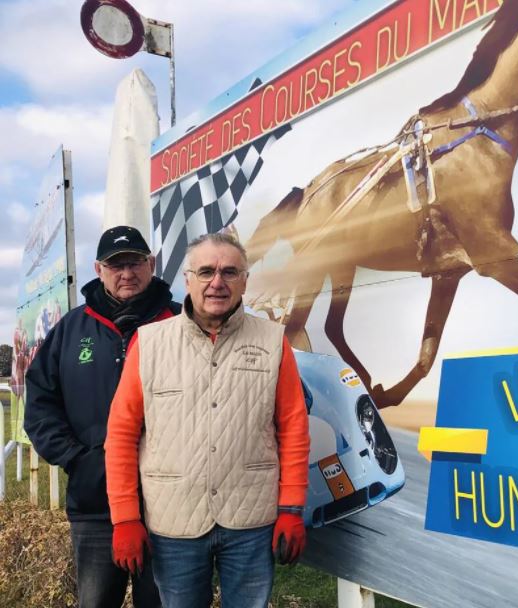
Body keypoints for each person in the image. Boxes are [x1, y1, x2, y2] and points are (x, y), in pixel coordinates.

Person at [105, 232, 310, 608]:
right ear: (188, 279)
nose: (217, 282)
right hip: (174, 521)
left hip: (251, 520)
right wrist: (125, 519)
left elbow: (294, 428)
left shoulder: (272, 341)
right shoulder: (148, 344)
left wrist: (291, 508)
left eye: (230, 272)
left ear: (245, 280)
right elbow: (120, 435)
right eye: (206, 272)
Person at [25, 225, 179, 608]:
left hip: (172, 506)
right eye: (115, 265)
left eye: (135, 262)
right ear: (98, 269)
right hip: (95, 506)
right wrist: (79, 460)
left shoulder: (180, 323)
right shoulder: (71, 330)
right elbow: (40, 402)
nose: (126, 273)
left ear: (152, 264)